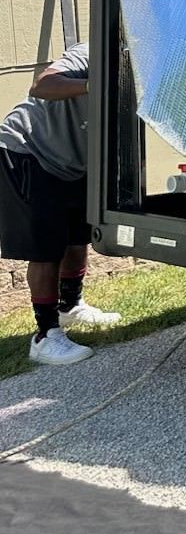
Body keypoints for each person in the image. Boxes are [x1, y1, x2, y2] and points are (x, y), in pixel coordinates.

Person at [0, 43, 120, 365]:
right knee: (46, 249)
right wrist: (95, 84)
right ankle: (45, 336)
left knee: (77, 238)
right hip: (27, 151)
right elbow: (41, 85)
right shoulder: (91, 53)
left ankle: (70, 307)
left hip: (72, 161)